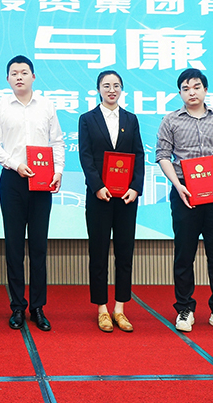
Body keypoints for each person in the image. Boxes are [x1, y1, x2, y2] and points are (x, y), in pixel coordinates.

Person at [156, 68, 213, 336]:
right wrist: (178, 185)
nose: (191, 92)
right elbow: (162, 155)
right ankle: (185, 308)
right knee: (184, 254)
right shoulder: (170, 120)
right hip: (185, 192)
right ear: (180, 93)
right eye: (185, 88)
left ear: (205, 90)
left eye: (196, 87)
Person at [0, 55, 65, 332]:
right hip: (13, 180)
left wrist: (58, 171)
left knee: (38, 247)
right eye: (14, 73)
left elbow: (57, 141)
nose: (19, 76)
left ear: (33, 76)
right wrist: (14, 164)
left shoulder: (46, 106)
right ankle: (17, 307)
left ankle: (38, 307)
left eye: (24, 72)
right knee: (14, 246)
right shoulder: (0, 108)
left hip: (42, 182)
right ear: (8, 79)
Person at [78, 70, 145, 333]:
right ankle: (102, 309)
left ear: (122, 89)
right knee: (99, 252)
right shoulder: (87, 119)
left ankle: (120, 308)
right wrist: (98, 187)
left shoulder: (131, 119)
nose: (111, 90)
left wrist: (136, 188)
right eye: (106, 85)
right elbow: (85, 156)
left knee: (125, 253)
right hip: (99, 196)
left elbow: (138, 155)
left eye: (116, 85)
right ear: (98, 89)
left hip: (126, 198)